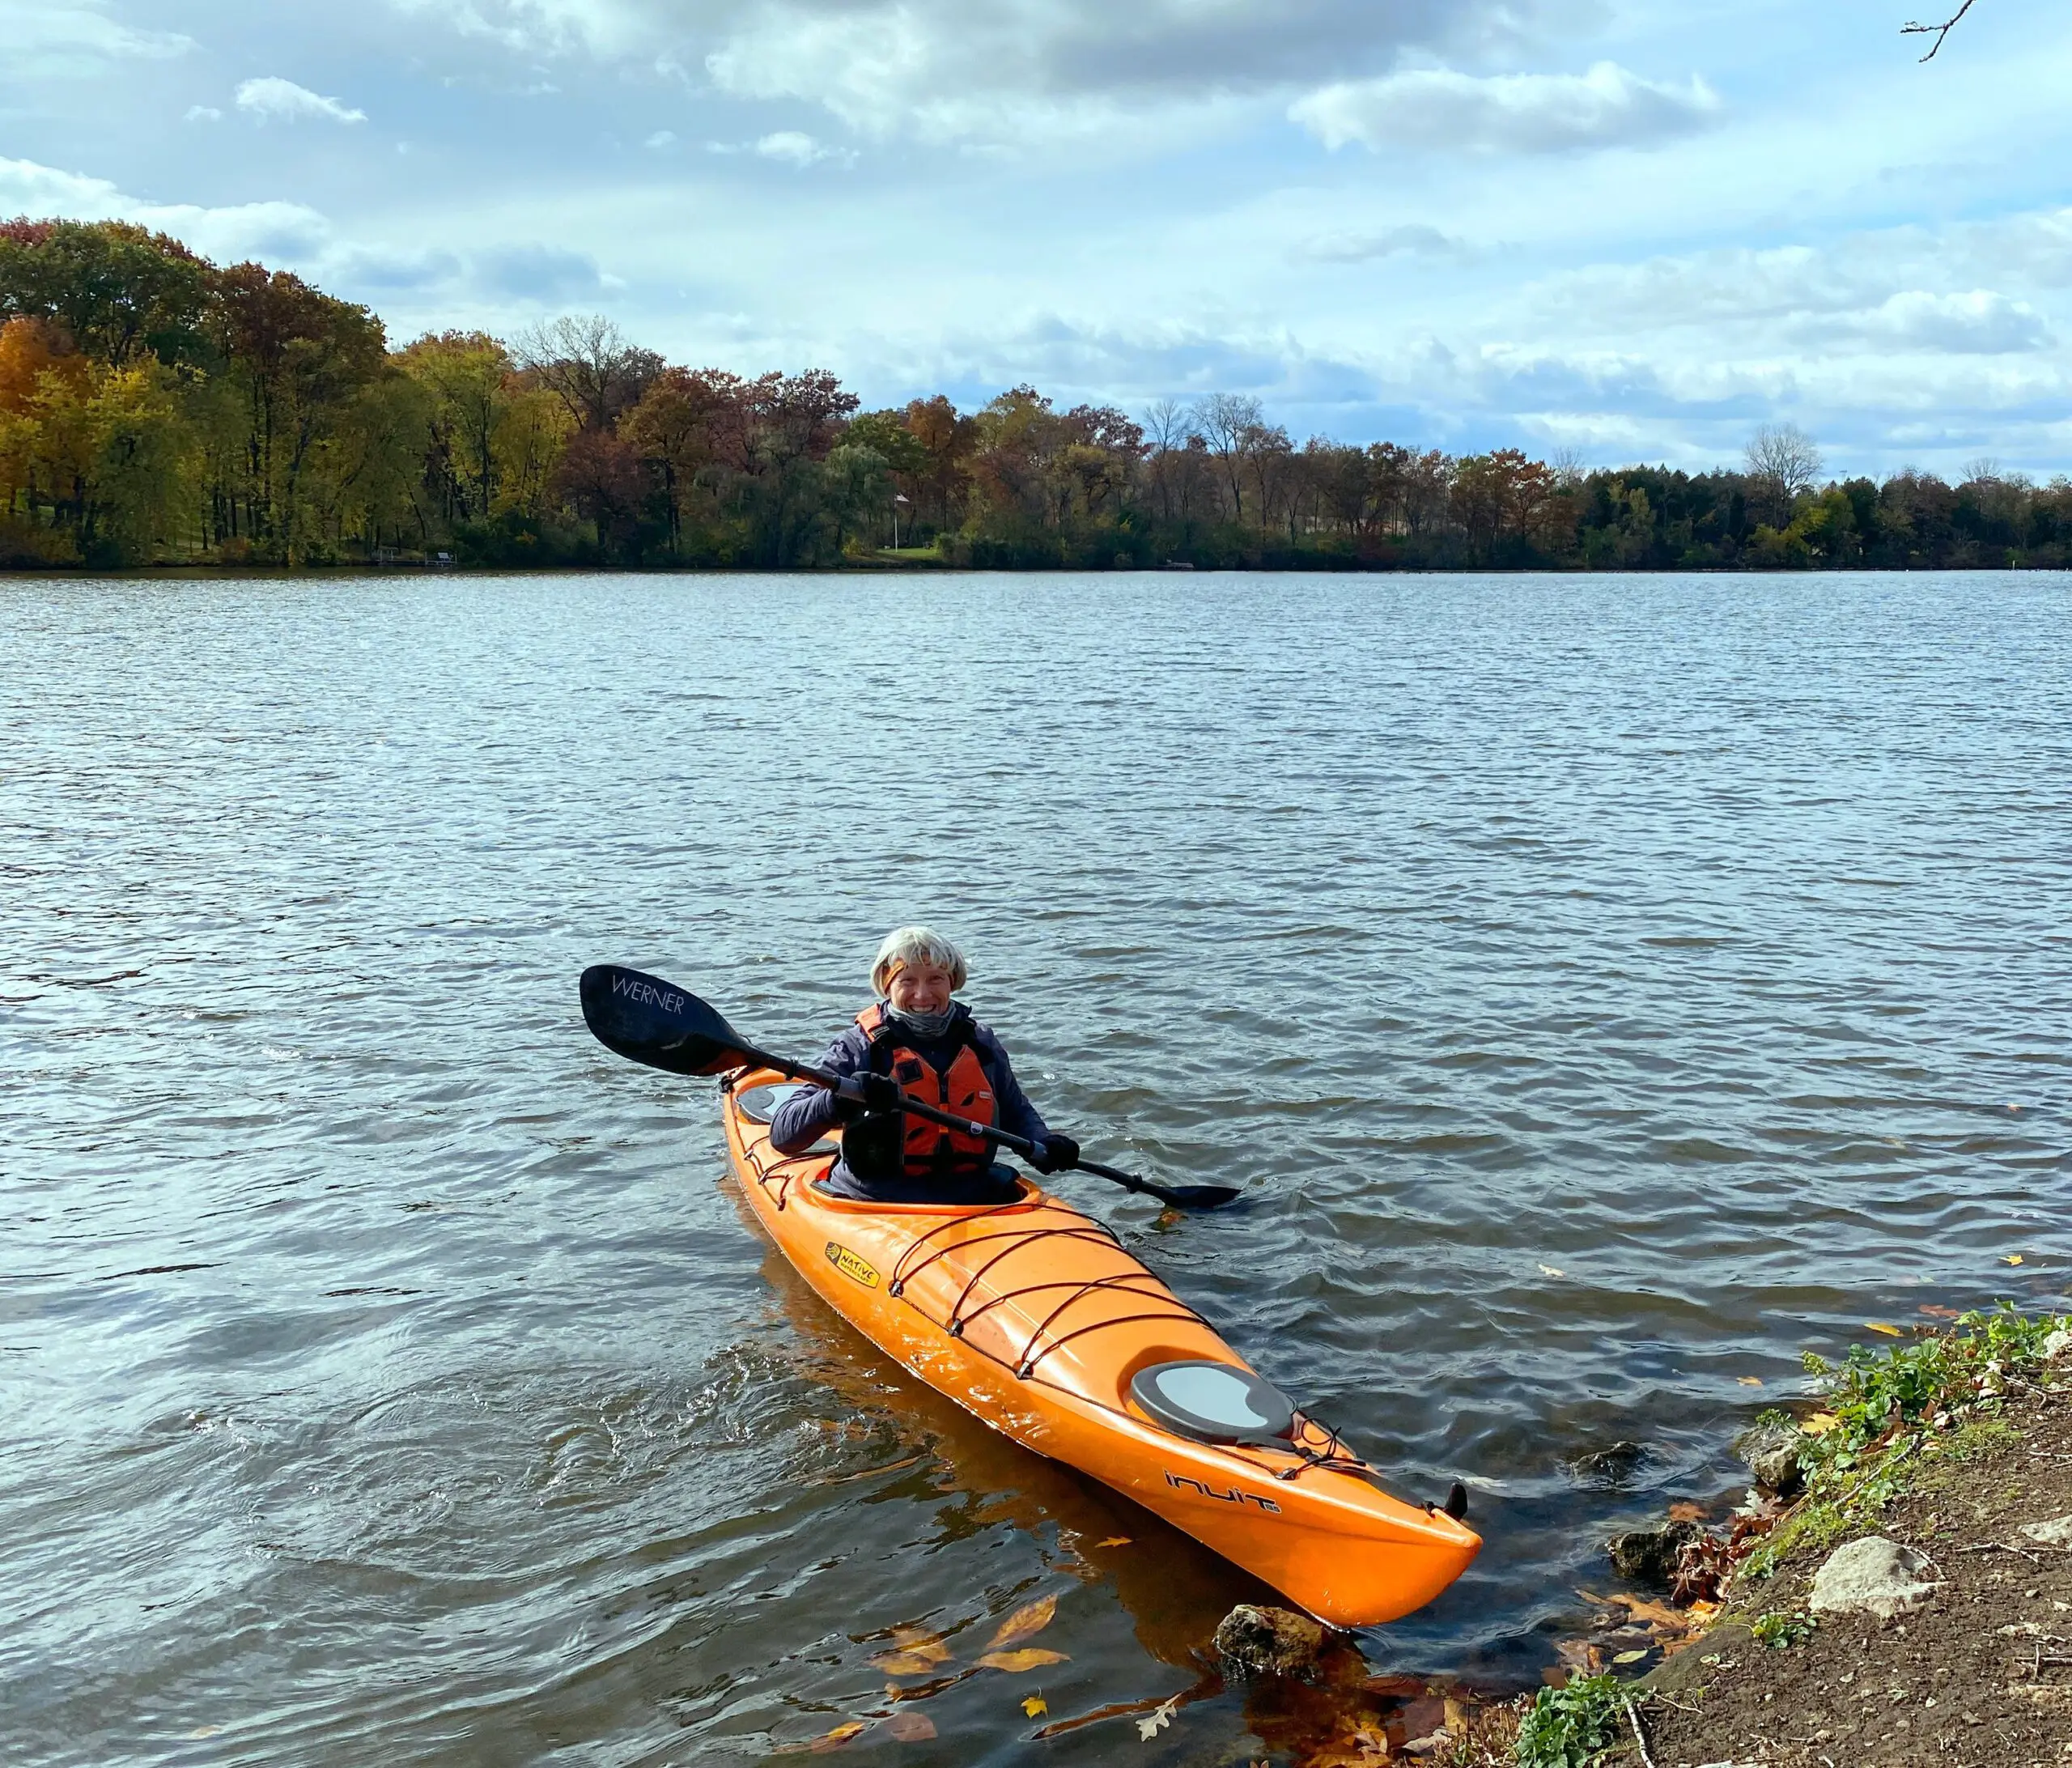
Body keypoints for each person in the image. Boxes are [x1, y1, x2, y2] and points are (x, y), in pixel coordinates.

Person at [768, 926, 1080, 1205]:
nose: (922, 994)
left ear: (952, 982)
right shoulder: (858, 1046)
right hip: (876, 1198)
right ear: (887, 985)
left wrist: (1044, 1143)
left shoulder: (980, 1042)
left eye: (935, 979)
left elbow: (1015, 1110)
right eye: (907, 981)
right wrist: (837, 1100)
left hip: (971, 1194)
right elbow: (784, 1136)